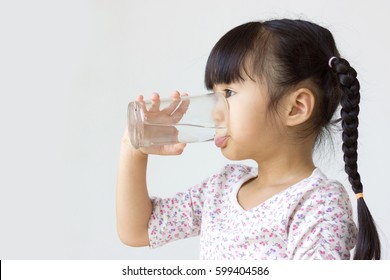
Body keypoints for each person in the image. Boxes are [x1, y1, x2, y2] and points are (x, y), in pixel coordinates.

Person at [116, 19, 381, 260]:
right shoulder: (222, 187)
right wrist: (134, 148)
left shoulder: (317, 203)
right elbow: (140, 229)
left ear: (296, 107)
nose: (215, 109)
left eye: (229, 92)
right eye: (213, 93)